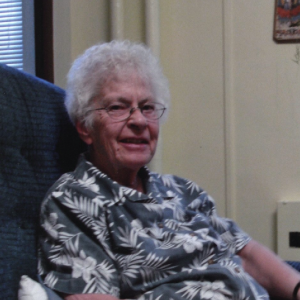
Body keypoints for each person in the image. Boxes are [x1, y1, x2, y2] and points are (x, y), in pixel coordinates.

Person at [38, 40, 300, 300]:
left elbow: (246, 255)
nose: (140, 120)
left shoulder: (183, 191)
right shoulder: (73, 202)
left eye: (147, 107)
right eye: (117, 107)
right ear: (85, 126)